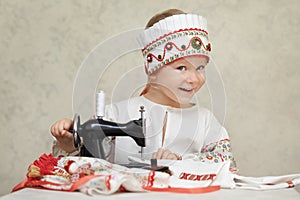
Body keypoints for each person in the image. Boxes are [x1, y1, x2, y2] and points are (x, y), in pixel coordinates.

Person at [50, 9, 236, 169]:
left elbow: (226, 161)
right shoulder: (115, 114)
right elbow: (87, 167)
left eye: (200, 68)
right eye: (181, 68)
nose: (195, 78)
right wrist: (69, 144)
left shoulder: (204, 120)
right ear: (151, 69)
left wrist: (180, 162)